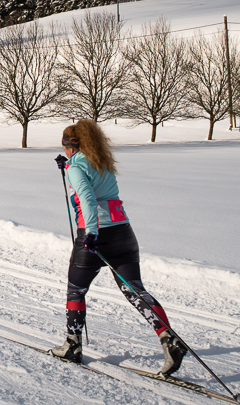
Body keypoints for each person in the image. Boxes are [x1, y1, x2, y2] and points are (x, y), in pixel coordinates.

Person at [50, 119, 186, 376]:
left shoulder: (75, 168)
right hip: (123, 232)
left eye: (65, 147)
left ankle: (72, 345)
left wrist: (91, 232)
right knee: (135, 289)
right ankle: (169, 339)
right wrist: (68, 166)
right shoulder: (101, 163)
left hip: (95, 234)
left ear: (70, 146)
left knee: (76, 289)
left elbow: (88, 198)